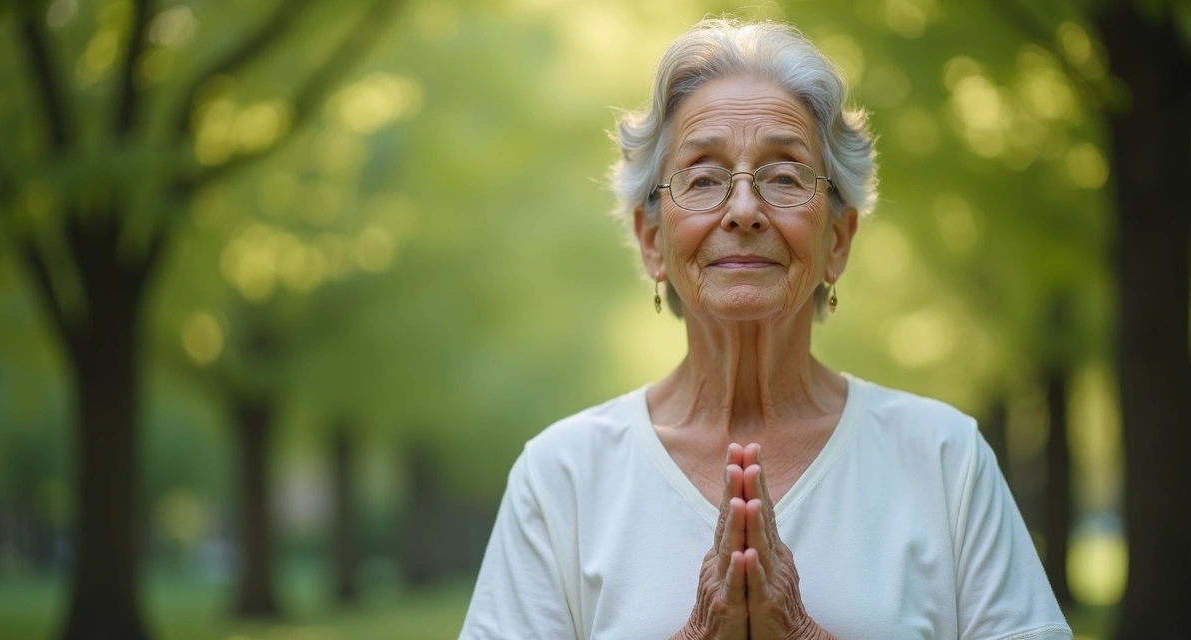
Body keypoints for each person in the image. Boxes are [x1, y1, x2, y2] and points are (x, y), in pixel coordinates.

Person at [459, 18, 1072, 640]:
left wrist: (804, 634)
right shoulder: (560, 477)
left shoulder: (945, 459)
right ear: (651, 241)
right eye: (703, 179)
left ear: (837, 239)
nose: (745, 210)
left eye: (784, 177)